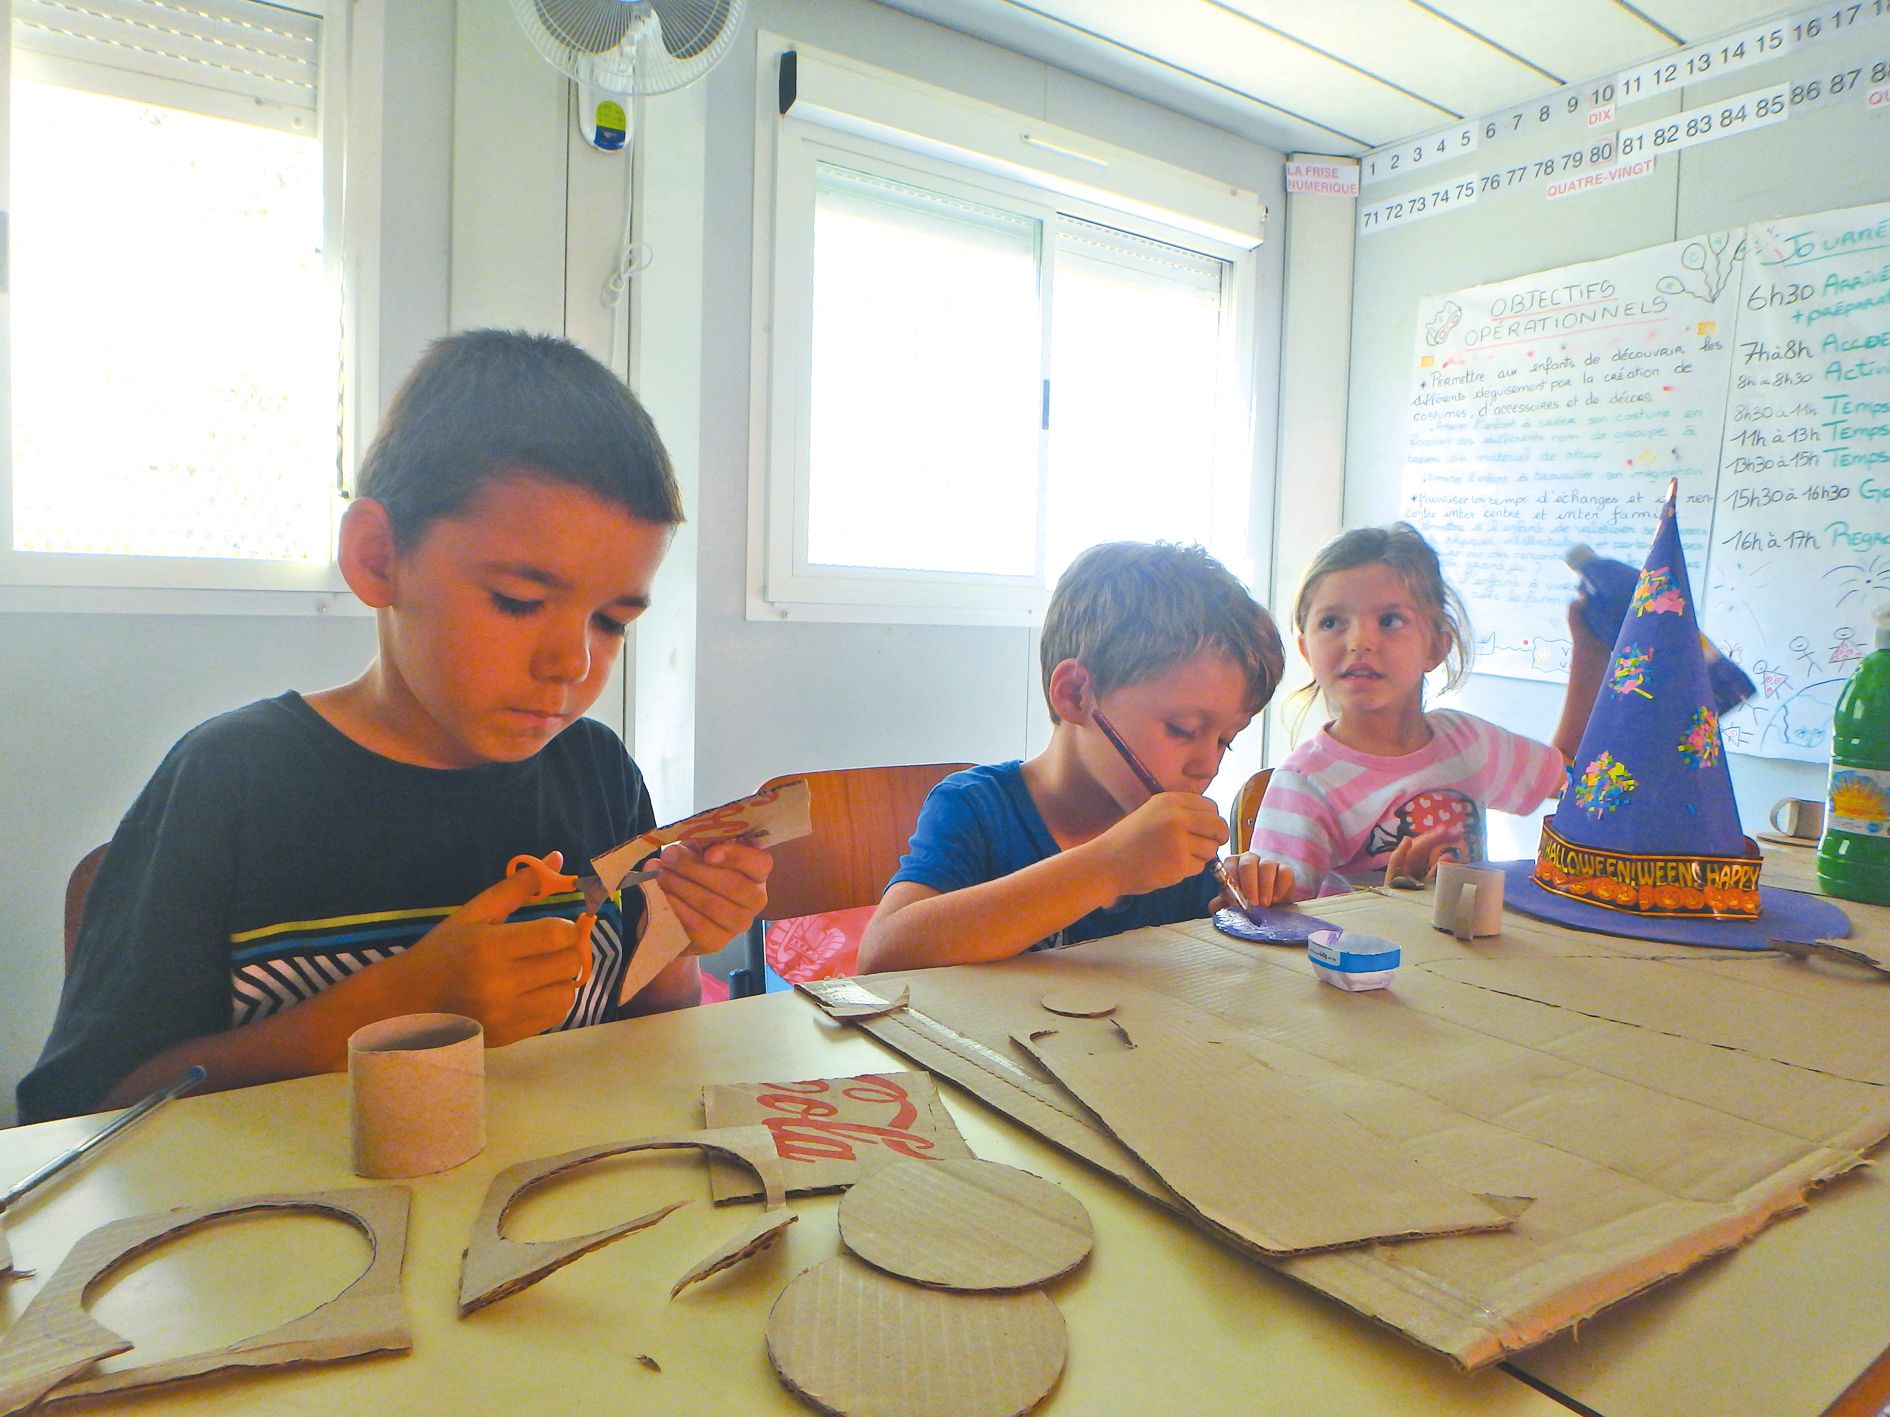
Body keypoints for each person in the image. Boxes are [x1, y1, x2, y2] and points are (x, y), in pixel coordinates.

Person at [19, 330, 770, 1123]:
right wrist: (387, 1011)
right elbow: (82, 1115)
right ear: (378, 557)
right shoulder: (230, 780)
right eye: (518, 601)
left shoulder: (597, 770)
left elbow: (645, 1032)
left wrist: (681, 939)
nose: (573, 663)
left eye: (613, 620)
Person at [858, 541, 1293, 971]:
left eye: (1225, 740)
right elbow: (884, 955)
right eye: (1183, 729)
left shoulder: (1176, 846)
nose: (1208, 766)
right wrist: (1108, 867)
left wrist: (1236, 911)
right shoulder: (977, 808)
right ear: (1076, 694)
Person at [1250, 522, 1606, 901]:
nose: (1359, 642)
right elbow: (1277, 925)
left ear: (1436, 647)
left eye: (1389, 620)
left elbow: (1578, 779)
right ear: (1307, 651)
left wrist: (1591, 651)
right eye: (1332, 622)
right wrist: (1394, 898)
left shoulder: (1469, 743)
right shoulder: (1304, 783)